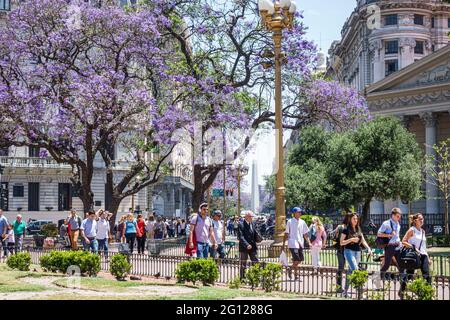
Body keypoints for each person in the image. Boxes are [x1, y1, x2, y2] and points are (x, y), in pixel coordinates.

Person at [340, 212, 372, 297]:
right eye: (354, 219)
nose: (356, 220)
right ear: (350, 219)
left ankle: (345, 292)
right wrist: (351, 240)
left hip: (357, 252)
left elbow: (363, 240)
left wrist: (368, 248)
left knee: (350, 272)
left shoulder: (358, 229)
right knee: (356, 270)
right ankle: (361, 292)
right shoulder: (346, 229)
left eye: (357, 219)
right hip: (348, 251)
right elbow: (341, 242)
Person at [400, 213, 431, 298]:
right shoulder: (412, 230)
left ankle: (427, 294)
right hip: (413, 255)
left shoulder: (423, 231)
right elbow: (403, 241)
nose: (422, 220)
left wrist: (427, 257)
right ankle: (402, 290)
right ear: (415, 221)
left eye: (422, 219)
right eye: (420, 219)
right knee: (409, 275)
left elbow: (424, 247)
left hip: (423, 255)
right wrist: (413, 247)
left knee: (427, 275)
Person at [282, 207, 311, 280]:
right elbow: (286, 233)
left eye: (300, 212)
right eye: (298, 212)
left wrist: (309, 243)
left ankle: (290, 269)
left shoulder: (302, 222)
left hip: (300, 243)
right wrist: (283, 244)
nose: (300, 213)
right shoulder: (290, 221)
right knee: (297, 260)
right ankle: (296, 275)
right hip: (293, 243)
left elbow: (305, 234)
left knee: (299, 260)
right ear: (294, 213)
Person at [378, 208, 404, 280]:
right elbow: (379, 234)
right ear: (393, 215)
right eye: (397, 216)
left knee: (401, 265)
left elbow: (397, 235)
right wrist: (389, 235)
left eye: (399, 216)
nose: (399, 218)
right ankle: (379, 279)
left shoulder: (398, 223)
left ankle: (403, 285)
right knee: (386, 265)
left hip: (398, 246)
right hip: (390, 247)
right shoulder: (386, 223)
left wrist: (400, 242)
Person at [238, 210, 262, 279]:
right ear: (247, 217)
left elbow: (255, 233)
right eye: (251, 216)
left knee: (256, 261)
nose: (252, 218)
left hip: (253, 246)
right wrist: (247, 244)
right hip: (244, 247)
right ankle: (242, 278)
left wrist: (258, 239)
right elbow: (241, 237)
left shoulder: (253, 223)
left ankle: (256, 276)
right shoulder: (241, 224)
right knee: (243, 263)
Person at [330, 213, 351, 293]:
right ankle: (339, 287)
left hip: (345, 250)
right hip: (342, 250)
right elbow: (332, 234)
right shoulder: (341, 227)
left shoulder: (349, 227)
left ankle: (343, 287)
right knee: (341, 268)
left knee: (345, 268)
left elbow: (332, 234)